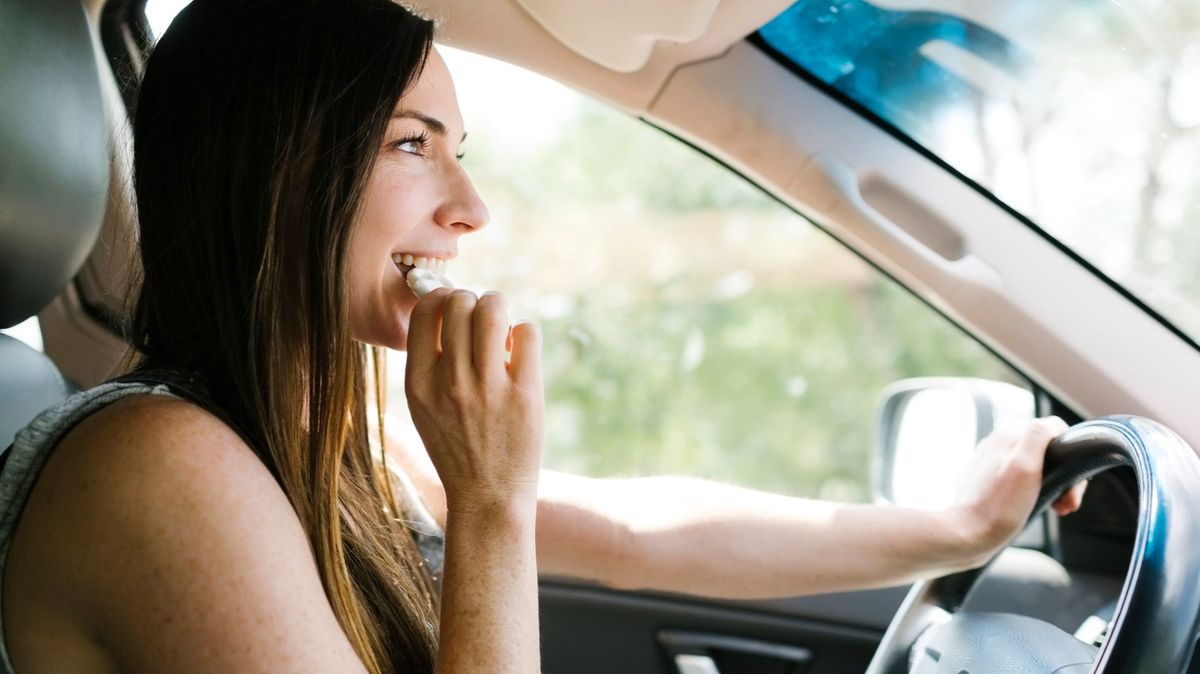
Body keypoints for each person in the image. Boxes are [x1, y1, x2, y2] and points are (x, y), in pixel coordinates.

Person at [0, 0, 1086, 672]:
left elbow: (633, 532)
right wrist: (488, 499)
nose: (471, 207)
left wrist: (951, 526)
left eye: (460, 148)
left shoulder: (314, 441)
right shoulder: (155, 462)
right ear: (278, 171)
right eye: (414, 144)